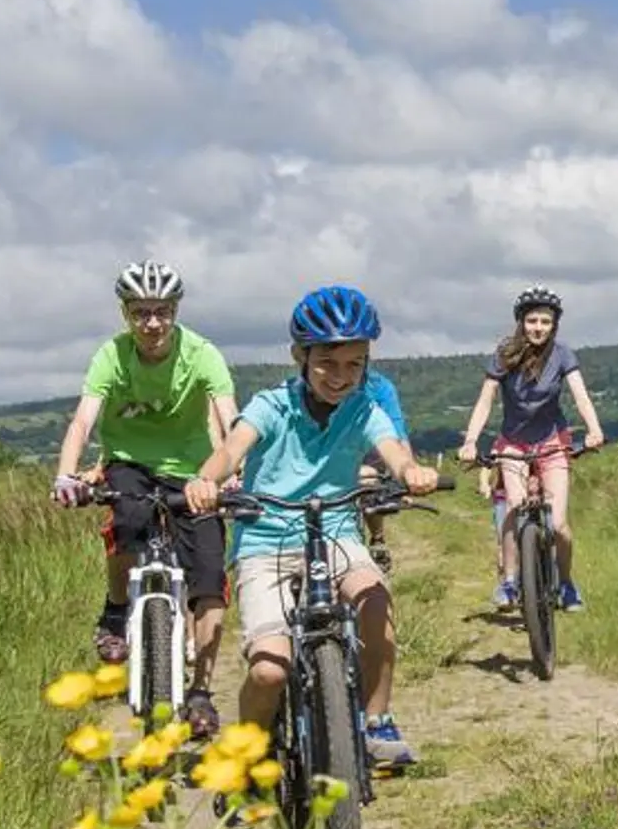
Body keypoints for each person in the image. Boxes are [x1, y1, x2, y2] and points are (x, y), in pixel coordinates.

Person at [183, 285, 437, 770]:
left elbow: (393, 450)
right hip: (267, 539)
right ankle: (248, 761)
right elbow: (233, 448)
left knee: (375, 599)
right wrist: (206, 479)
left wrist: (410, 473)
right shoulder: (272, 405)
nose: (340, 377)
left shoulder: (364, 408)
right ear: (300, 355)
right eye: (327, 362)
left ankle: (375, 721)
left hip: (337, 531)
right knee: (268, 671)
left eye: (354, 364)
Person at [50, 261, 238, 740]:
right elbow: (82, 421)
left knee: (210, 577)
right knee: (127, 521)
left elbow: (229, 416)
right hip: (130, 462)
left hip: (194, 470)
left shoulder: (202, 354)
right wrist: (66, 475)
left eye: (161, 312)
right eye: (140, 313)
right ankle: (117, 609)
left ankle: (200, 692)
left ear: (175, 311)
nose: (152, 323)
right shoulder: (111, 356)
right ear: (125, 314)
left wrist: (233, 471)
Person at [457, 286, 606, 611]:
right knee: (513, 506)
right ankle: (510, 582)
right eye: (532, 320)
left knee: (559, 524)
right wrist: (470, 441)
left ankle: (566, 583)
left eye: (546, 322)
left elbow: (580, 396)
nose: (538, 327)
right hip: (513, 442)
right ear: (521, 322)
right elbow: (486, 401)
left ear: (554, 325)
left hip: (553, 440)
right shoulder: (504, 354)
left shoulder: (563, 354)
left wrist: (594, 430)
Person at [356, 367, 411, 572]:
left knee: (370, 483)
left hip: (372, 452)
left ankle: (377, 537)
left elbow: (397, 432)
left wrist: (409, 474)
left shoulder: (380, 387)